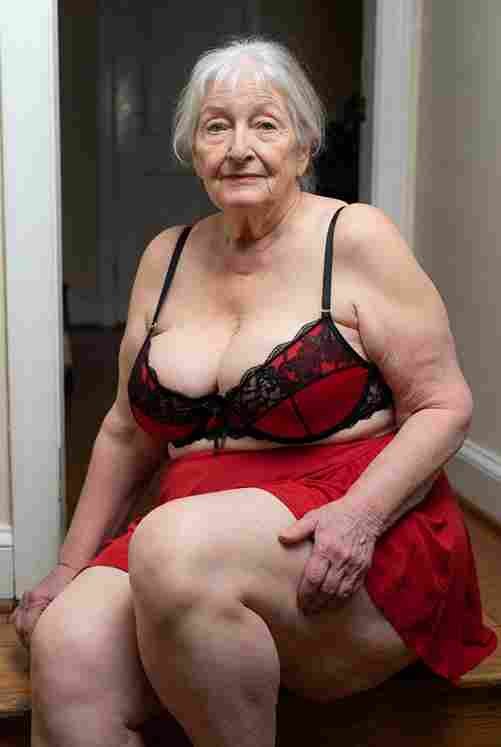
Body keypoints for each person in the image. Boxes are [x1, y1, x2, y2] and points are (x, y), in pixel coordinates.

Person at [13, 38, 496, 747]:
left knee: (170, 547)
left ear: (303, 145)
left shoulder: (355, 237)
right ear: (193, 149)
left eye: (264, 125)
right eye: (217, 127)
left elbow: (443, 404)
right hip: (187, 532)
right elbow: (126, 429)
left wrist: (359, 518)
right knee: (65, 648)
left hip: (350, 514)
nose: (239, 148)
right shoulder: (165, 256)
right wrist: (67, 566)